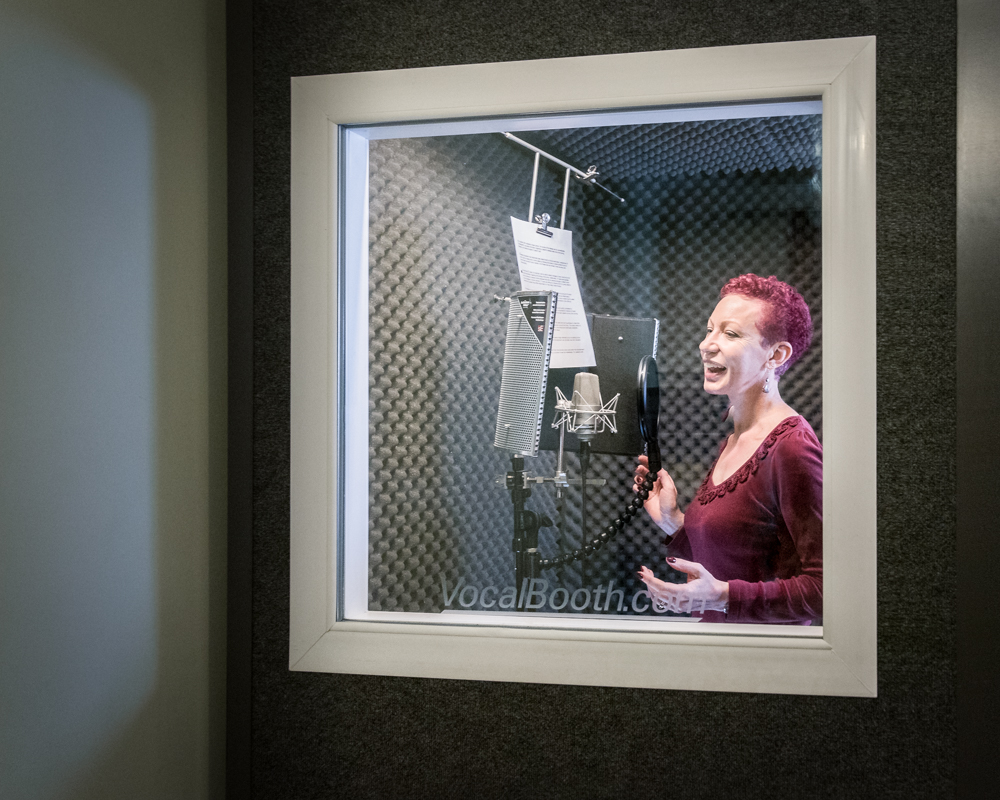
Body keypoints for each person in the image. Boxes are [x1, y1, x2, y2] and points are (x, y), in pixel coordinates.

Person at [634, 274, 822, 624]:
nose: (707, 344)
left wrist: (723, 597)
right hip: (719, 652)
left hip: (765, 666)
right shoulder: (734, 438)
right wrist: (674, 522)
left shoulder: (791, 447)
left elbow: (826, 590)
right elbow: (737, 560)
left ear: (776, 354)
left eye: (730, 333)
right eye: (709, 330)